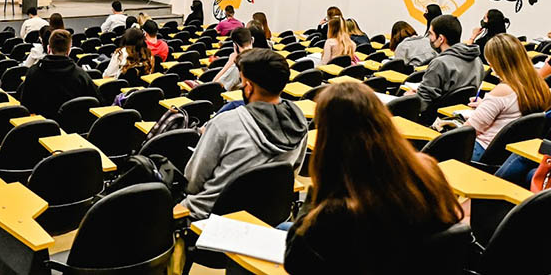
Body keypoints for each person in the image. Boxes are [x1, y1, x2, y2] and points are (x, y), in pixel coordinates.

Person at [283, 82, 463, 275]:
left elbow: (295, 263)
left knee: (282, 228)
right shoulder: (427, 169)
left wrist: (318, 191)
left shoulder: (336, 212)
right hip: (406, 260)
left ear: (327, 140)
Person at [182, 49, 308, 219]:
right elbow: (289, 173)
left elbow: (193, 182)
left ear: (248, 87)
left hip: (210, 217)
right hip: (266, 216)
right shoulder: (299, 123)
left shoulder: (224, 124)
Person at [465, 34, 551, 161]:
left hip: (481, 150)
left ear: (497, 63)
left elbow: (468, 131)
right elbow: (512, 110)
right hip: (507, 154)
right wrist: (485, 105)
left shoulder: (502, 90)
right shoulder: (539, 87)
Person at [409, 15, 484, 117]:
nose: (429, 38)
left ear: (441, 39)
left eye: (430, 34)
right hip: (460, 117)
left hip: (434, 118)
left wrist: (409, 99)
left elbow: (424, 102)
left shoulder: (439, 63)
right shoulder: (477, 60)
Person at [20, 30, 99, 119]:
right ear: (69, 50)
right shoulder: (81, 75)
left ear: (49, 48)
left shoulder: (33, 73)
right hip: (74, 128)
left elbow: (25, 106)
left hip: (43, 129)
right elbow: (97, 102)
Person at [213, 27, 253, 91]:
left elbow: (214, 85)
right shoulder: (261, 59)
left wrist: (229, 63)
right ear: (252, 41)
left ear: (235, 46)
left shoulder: (237, 67)